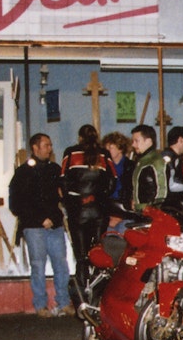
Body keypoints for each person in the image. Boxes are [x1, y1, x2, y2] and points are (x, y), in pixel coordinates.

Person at [9, 133, 73, 318]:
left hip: (55, 225)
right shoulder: (22, 173)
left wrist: (54, 217)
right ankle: (40, 305)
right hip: (34, 226)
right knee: (38, 265)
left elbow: (60, 195)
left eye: (51, 145)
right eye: (46, 145)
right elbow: (17, 203)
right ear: (35, 148)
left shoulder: (55, 169)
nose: (50, 148)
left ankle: (63, 302)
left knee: (61, 264)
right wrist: (40, 219)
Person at [60, 124, 115, 287]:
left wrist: (70, 202)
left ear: (80, 138)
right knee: (99, 254)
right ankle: (98, 295)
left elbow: (63, 181)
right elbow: (113, 182)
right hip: (99, 210)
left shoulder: (70, 153)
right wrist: (100, 197)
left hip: (78, 211)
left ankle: (82, 294)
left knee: (82, 257)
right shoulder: (104, 155)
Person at [129, 124, 168, 211]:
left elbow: (162, 193)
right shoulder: (141, 161)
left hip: (151, 215)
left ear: (149, 141)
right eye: (133, 141)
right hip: (141, 212)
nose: (133, 145)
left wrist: (150, 211)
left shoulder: (157, 162)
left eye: (136, 141)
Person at [102, 131, 132, 230]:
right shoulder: (103, 168)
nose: (107, 151)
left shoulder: (131, 166)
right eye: (106, 148)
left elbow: (130, 193)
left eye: (110, 147)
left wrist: (120, 216)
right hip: (108, 214)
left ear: (120, 148)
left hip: (126, 213)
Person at [162, 126, 183, 206]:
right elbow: (172, 185)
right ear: (181, 140)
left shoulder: (173, 157)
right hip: (169, 206)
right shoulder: (170, 158)